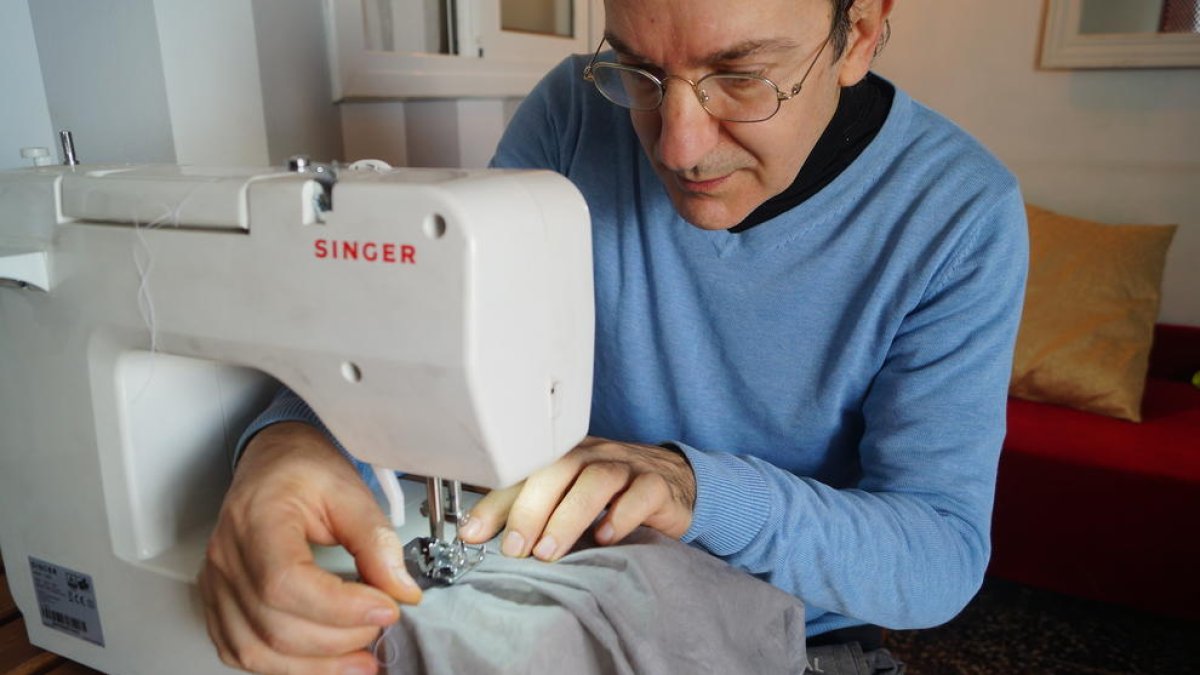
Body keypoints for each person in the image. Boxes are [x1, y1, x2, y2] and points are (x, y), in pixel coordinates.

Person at [198, 0, 1028, 673]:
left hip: (803, 640)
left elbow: (937, 555)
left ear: (863, 32)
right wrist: (288, 445)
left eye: (740, 77)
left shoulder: (958, 213)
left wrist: (693, 486)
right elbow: (425, 334)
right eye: (638, 70)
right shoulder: (573, 107)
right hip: (575, 578)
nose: (678, 146)